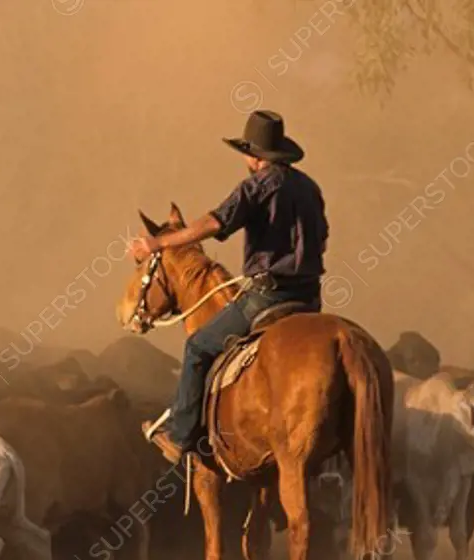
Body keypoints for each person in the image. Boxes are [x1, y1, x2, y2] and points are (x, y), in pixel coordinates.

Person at [127, 110, 329, 464]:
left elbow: (212, 222)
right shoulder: (310, 188)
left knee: (198, 347)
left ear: (254, 156)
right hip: (310, 299)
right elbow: (322, 237)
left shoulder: (257, 186)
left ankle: (181, 435)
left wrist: (158, 244)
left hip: (268, 297)